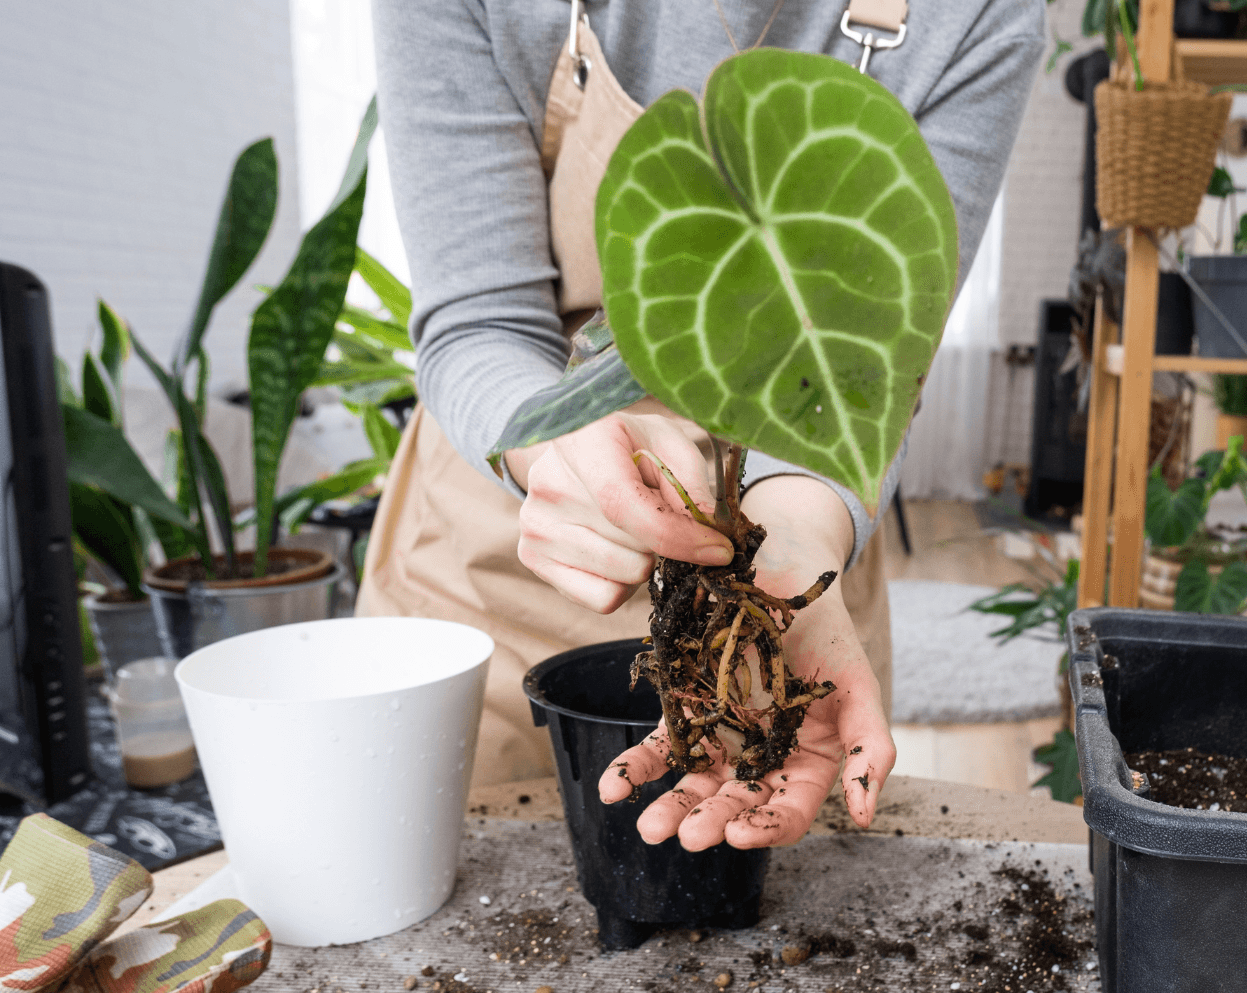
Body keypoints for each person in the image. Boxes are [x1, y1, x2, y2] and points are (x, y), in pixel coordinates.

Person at [362, 0, 1043, 850]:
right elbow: (480, 323)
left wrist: (789, 543)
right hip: (501, 562)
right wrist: (556, 451)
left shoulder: (975, 14)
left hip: (781, 607)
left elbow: (862, 377)